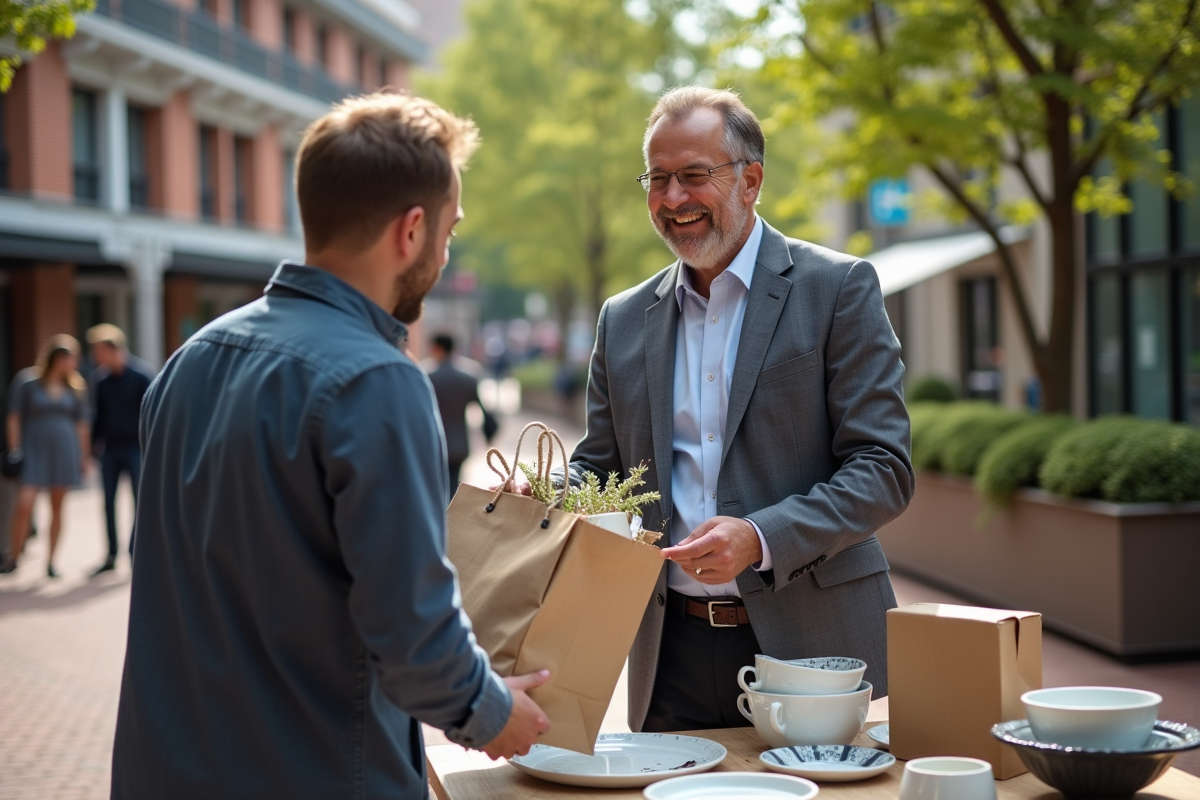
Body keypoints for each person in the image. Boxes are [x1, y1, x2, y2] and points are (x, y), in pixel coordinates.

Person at [111, 92, 550, 799]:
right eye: (449, 230)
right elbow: (412, 632)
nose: (445, 253)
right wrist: (494, 713)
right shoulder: (377, 381)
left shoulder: (190, 358)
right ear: (411, 230)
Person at [559, 87, 913, 732]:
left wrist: (760, 537)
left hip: (811, 648)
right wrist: (547, 492)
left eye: (694, 176)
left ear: (750, 180)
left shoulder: (837, 288)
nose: (673, 199)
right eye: (658, 179)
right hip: (667, 650)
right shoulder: (622, 319)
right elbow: (601, 469)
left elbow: (883, 467)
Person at [0, 335, 91, 578]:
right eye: (70, 357)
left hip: (64, 450)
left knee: (57, 506)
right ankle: (14, 556)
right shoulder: (28, 382)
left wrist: (85, 456)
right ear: (57, 358)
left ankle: (51, 562)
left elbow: (82, 424)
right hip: (34, 448)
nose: (74, 363)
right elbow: (14, 417)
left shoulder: (75, 387)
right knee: (24, 504)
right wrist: (15, 449)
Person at [86, 324, 153, 575]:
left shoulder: (141, 376)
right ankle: (111, 554)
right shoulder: (101, 380)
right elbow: (98, 417)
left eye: (98, 350)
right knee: (108, 503)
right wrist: (92, 450)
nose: (95, 356)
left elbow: (151, 415)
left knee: (141, 502)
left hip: (136, 448)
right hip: (110, 450)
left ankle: (135, 552)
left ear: (113, 349)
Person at [423, 333, 497, 493]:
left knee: (437, 486)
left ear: (436, 348)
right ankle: (452, 513)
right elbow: (483, 409)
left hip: (434, 442)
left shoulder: (427, 378)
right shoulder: (468, 377)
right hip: (460, 443)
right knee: (454, 482)